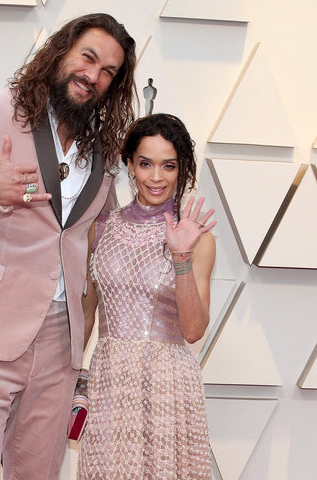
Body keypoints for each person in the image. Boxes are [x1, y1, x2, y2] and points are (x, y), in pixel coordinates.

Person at [0, 13, 136, 480]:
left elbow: (100, 236)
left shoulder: (101, 150)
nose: (93, 76)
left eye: (109, 72)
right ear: (60, 51)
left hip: (60, 344)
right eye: (88, 58)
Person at [77, 113, 216, 480]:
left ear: (182, 168)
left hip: (167, 383)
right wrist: (71, 378)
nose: (156, 177)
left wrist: (181, 258)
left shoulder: (198, 237)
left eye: (169, 166)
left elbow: (193, 330)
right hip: (110, 379)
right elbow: (87, 313)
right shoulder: (101, 227)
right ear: (129, 165)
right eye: (145, 164)